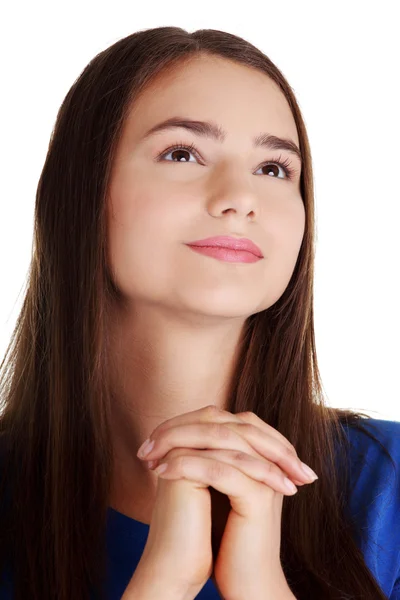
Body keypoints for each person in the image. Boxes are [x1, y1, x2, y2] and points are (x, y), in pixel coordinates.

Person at [0, 25, 399, 600]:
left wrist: (259, 586)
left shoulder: (390, 487)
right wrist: (164, 583)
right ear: (82, 193)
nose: (241, 196)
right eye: (182, 153)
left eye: (273, 168)